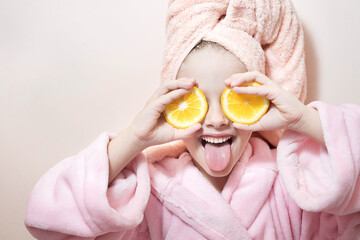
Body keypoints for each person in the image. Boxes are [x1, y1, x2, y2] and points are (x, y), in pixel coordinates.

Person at [25, 0, 360, 239]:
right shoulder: (150, 195)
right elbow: (50, 224)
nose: (216, 120)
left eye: (237, 100)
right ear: (173, 103)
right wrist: (134, 139)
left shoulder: (294, 184)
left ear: (258, 101)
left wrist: (301, 119)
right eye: (195, 99)